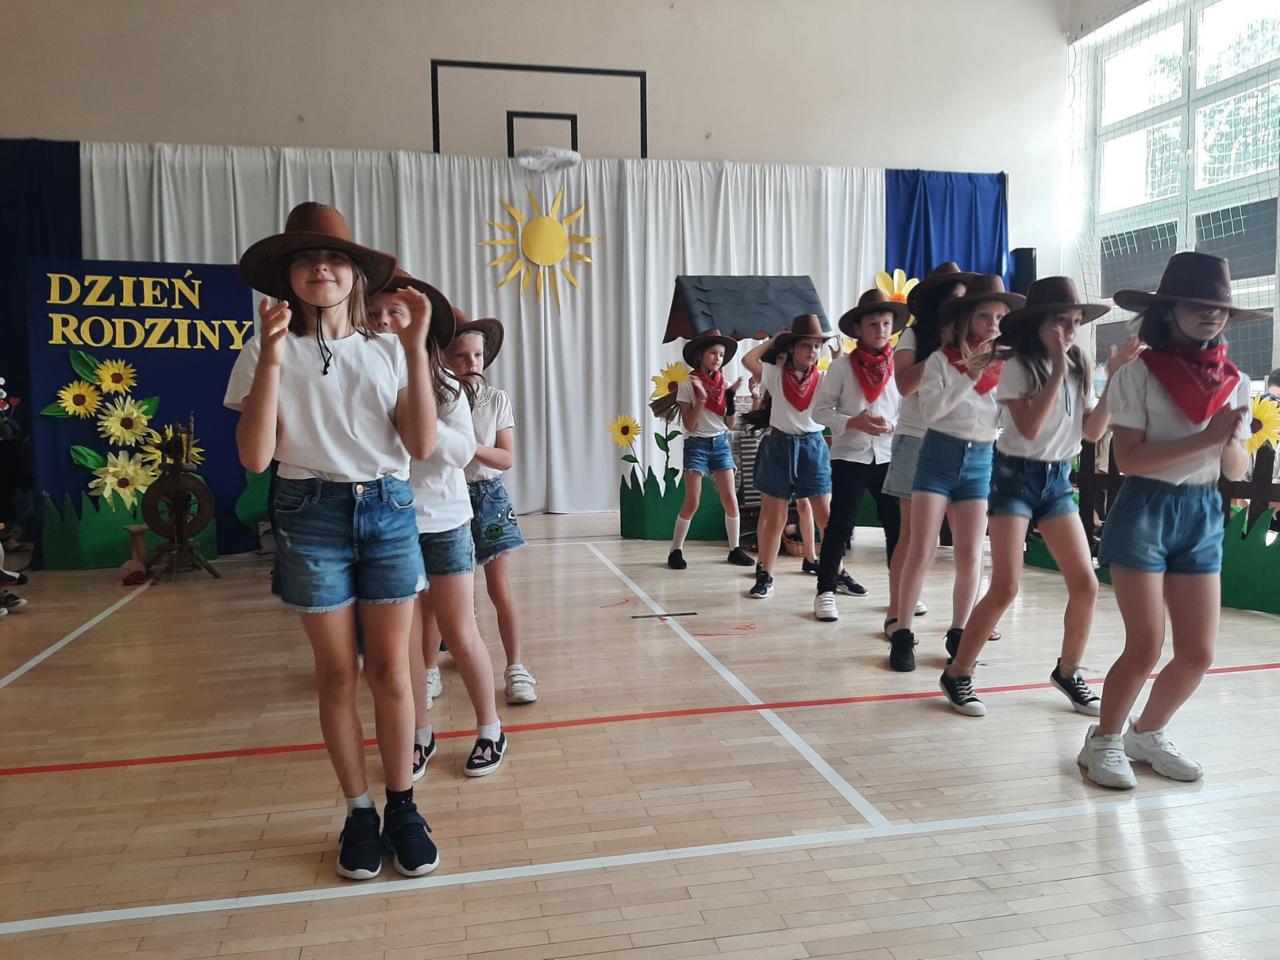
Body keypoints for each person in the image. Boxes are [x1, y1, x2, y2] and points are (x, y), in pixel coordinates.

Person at [227, 203, 438, 880]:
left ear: (356, 275)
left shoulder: (387, 349)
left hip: (387, 507)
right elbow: (255, 457)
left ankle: (402, 804)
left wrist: (415, 349)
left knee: (393, 671)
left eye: (335, 258)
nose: (322, 268)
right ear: (287, 277)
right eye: (306, 259)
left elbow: (422, 444)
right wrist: (270, 356)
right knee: (338, 673)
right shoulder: (264, 349)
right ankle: (358, 810)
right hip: (308, 511)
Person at [1078, 252, 1256, 790]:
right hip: (1145, 509)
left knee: (1199, 652)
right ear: (1167, 309)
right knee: (1146, 644)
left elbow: (1235, 467)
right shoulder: (1137, 374)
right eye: (1197, 305)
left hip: (1202, 512)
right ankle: (1102, 740)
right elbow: (1130, 459)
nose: (1211, 315)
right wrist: (1208, 436)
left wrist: (1230, 442)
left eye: (1219, 307)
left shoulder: (1235, 380)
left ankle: (1147, 733)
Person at [938, 278, 1139, 715]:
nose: (1070, 331)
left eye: (1076, 322)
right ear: (1038, 324)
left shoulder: (1078, 363)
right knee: (1006, 585)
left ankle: (1068, 672)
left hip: (1057, 481)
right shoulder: (1018, 365)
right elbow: (1028, 429)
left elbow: (1091, 432)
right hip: (1015, 477)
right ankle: (957, 672)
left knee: (1085, 584)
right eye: (1061, 322)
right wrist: (1056, 366)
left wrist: (1114, 378)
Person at [888, 275, 1025, 672]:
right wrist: (970, 373)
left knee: (971, 553)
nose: (993, 325)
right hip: (937, 457)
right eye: (985, 316)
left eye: (999, 318)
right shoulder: (939, 360)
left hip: (980, 460)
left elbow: (1006, 418)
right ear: (965, 319)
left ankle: (959, 630)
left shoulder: (1005, 365)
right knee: (922, 547)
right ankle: (903, 631)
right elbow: (932, 412)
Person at [881, 263, 978, 638]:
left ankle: (966, 621)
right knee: (914, 537)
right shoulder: (913, 335)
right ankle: (896, 615)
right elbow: (905, 385)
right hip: (917, 440)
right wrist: (942, 349)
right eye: (955, 299)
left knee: (966, 542)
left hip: (960, 443)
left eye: (965, 299)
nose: (961, 306)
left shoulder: (972, 338)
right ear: (939, 303)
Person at [447, 312, 539, 704]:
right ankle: (433, 668)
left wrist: (468, 447)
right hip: (447, 496)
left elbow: (506, 458)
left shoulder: (496, 399)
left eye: (478, 355)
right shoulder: (435, 398)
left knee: (499, 588)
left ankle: (516, 667)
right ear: (444, 359)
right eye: (461, 355)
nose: (471, 363)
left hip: (489, 498)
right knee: (446, 592)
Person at [811, 288, 905, 622]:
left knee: (897, 526)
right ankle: (825, 590)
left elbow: (910, 411)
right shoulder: (841, 368)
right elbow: (819, 411)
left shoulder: (902, 367)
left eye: (886, 323)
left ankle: (902, 596)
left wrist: (891, 426)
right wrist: (852, 422)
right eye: (873, 324)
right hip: (850, 455)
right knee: (840, 525)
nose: (880, 330)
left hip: (888, 456)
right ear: (858, 329)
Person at [740, 315, 838, 599]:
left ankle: (836, 572)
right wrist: (774, 340)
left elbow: (846, 388)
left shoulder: (824, 379)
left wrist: (839, 358)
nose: (813, 351)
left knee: (826, 516)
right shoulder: (775, 374)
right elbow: (748, 360)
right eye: (806, 345)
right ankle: (765, 575)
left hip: (812, 446)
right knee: (775, 517)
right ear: (792, 348)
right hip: (779, 446)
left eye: (817, 346)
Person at [667, 329, 755, 570]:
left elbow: (730, 424)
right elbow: (689, 424)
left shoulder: (724, 384)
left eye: (721, 355)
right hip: (696, 445)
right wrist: (702, 400)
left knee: (730, 500)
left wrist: (731, 398)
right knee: (692, 502)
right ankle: (675, 550)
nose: (718, 358)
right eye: (713, 353)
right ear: (700, 356)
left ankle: (734, 550)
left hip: (720, 444)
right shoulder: (688, 385)